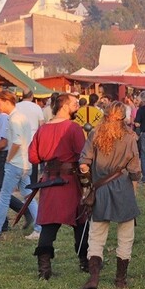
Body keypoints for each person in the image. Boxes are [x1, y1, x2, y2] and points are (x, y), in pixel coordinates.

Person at [77, 101, 141, 289]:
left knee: (96, 235)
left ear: (105, 115)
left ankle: (94, 277)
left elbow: (83, 164)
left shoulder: (95, 134)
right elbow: (135, 169)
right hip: (123, 188)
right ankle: (120, 280)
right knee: (126, 235)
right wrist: (134, 186)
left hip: (100, 189)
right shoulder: (130, 137)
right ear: (123, 118)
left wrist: (88, 184)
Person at [29, 93, 88, 279]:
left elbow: (34, 157)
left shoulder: (42, 129)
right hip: (69, 182)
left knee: (50, 224)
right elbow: (83, 156)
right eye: (74, 103)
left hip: (49, 181)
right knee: (80, 221)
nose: (77, 106)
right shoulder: (73, 128)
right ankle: (84, 262)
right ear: (63, 106)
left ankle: (44, 269)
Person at [0, 90, 41, 242]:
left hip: (16, 164)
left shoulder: (15, 119)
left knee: (3, 196)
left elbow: (17, 142)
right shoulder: (20, 117)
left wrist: (9, 159)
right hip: (25, 163)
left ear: (6, 101)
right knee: (28, 196)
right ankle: (39, 228)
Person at [0, 101, 33, 230]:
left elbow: (4, 142)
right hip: (6, 157)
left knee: (1, 193)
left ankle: (19, 215)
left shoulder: (5, 118)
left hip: (4, 156)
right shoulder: (2, 118)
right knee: (8, 192)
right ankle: (10, 220)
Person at [16, 90, 45, 184]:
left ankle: (20, 182)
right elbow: (41, 124)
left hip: (19, 137)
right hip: (33, 138)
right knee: (33, 162)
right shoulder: (36, 107)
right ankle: (32, 182)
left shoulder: (16, 107)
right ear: (32, 96)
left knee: (20, 162)